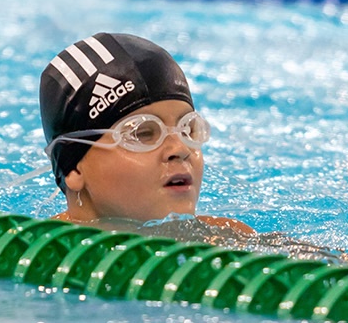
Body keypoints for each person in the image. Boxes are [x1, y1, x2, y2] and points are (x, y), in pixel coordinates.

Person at [38, 32, 251, 232]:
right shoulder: (35, 255)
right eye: (143, 134)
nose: (180, 149)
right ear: (73, 168)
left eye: (187, 129)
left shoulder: (227, 239)